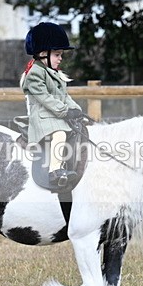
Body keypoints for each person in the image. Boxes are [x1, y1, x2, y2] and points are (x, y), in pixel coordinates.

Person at [20, 22, 85, 189]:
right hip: (43, 116)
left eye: (61, 54)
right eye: (57, 54)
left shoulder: (54, 74)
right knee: (60, 134)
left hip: (53, 114)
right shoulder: (35, 73)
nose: (60, 58)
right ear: (43, 54)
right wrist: (65, 111)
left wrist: (76, 110)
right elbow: (45, 98)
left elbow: (64, 96)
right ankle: (55, 170)